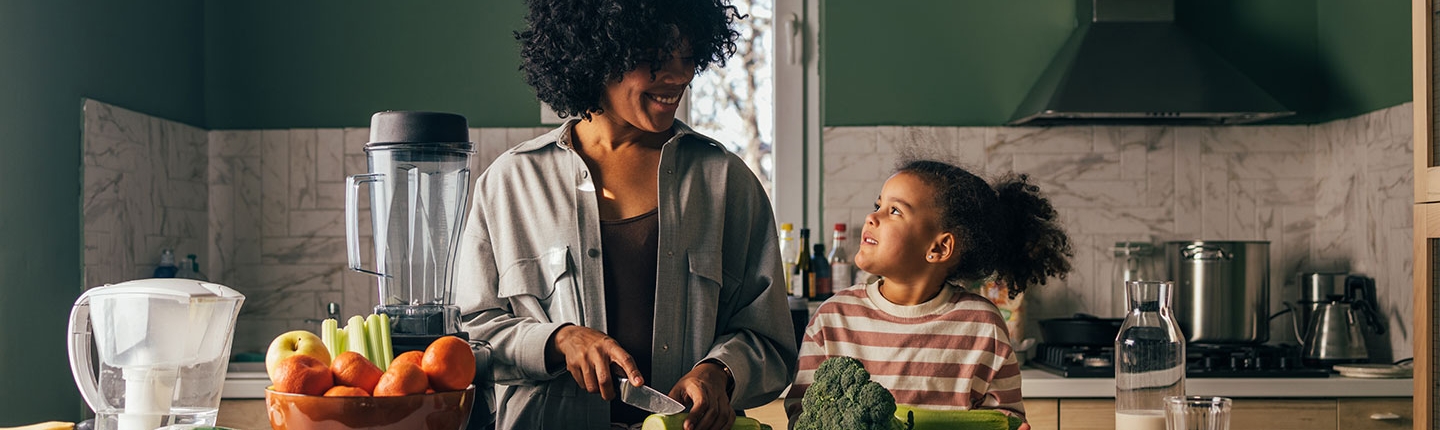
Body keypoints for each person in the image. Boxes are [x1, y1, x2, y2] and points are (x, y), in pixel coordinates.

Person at [454, 1, 797, 429]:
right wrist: (556, 341)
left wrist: (720, 372)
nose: (678, 76)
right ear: (596, 55)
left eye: (687, 57)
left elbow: (769, 339)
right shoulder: (509, 184)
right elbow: (467, 338)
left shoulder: (726, 182)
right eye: (652, 60)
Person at [784, 159, 1073, 429]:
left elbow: (1005, 417)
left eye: (894, 211)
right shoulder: (833, 318)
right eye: (878, 204)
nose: (872, 216)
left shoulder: (982, 325)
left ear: (938, 248)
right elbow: (803, 413)